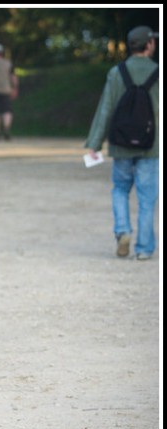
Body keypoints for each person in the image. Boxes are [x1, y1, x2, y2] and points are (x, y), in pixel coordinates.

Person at [84, 25, 159, 261]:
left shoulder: (117, 73)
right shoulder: (159, 72)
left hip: (121, 143)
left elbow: (105, 108)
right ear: (148, 45)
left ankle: (123, 231)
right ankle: (145, 248)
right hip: (151, 146)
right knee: (147, 198)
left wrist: (95, 142)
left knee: (120, 189)